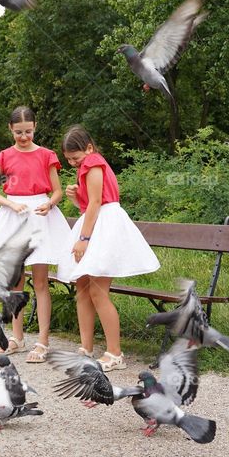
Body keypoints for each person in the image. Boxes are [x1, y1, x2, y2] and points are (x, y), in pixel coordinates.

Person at [57, 125, 160, 371]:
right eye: (68, 159)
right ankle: (86, 348)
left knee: (97, 292)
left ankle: (115, 353)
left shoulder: (93, 163)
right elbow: (88, 205)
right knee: (82, 286)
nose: (72, 163)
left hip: (104, 227)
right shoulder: (87, 165)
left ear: (89, 148)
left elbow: (95, 203)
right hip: (96, 221)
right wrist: (74, 197)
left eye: (75, 157)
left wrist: (83, 239)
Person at [0, 106, 73, 362]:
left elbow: (57, 191)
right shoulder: (3, 157)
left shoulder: (46, 155)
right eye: (18, 132)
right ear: (10, 129)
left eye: (28, 132)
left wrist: (50, 203)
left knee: (41, 282)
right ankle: (17, 339)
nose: (23, 136)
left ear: (35, 127)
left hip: (40, 216)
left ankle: (42, 341)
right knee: (15, 284)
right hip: (13, 215)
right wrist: (11, 204)